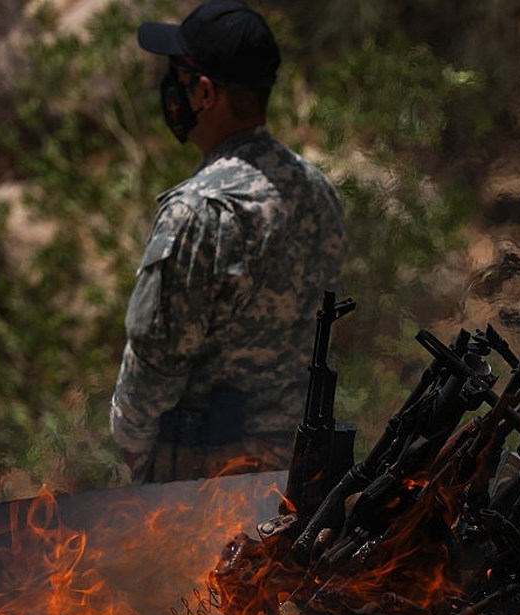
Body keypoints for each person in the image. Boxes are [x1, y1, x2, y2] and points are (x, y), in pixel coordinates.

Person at [110, 1, 346, 482]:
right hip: (296, 472)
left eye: (177, 75)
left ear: (203, 92)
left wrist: (131, 441)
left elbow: (156, 354)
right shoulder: (319, 191)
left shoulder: (197, 209)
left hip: (201, 484)